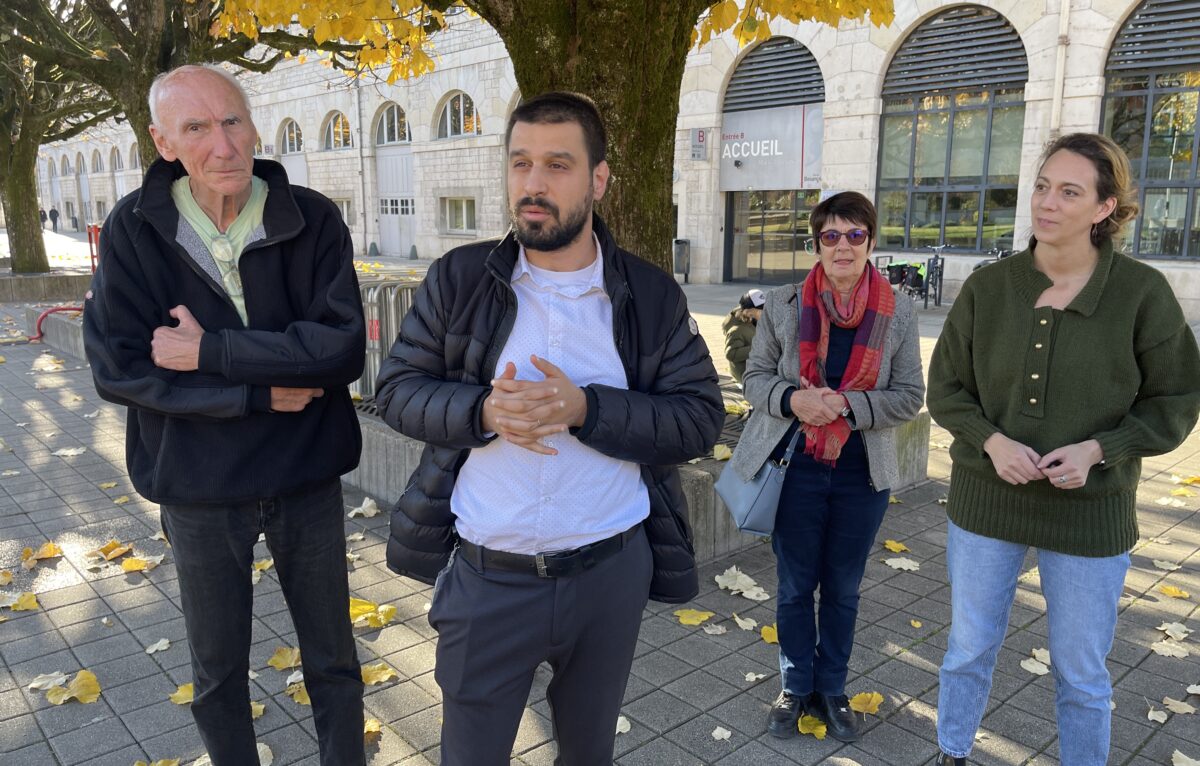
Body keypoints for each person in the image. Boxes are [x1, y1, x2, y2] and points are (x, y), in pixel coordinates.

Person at [375, 91, 724, 765]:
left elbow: (699, 419)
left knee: (589, 755)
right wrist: (483, 411)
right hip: (488, 580)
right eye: (520, 163)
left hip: (610, 575)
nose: (533, 184)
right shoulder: (460, 280)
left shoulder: (649, 296)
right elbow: (396, 392)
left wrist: (586, 409)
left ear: (598, 180)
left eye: (558, 165)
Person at [82, 64, 367, 766]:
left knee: (332, 659)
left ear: (253, 123)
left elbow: (339, 350)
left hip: (305, 477)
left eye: (232, 120)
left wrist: (212, 351)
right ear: (163, 141)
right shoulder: (134, 230)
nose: (223, 145)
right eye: (197, 128)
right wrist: (256, 393)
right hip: (199, 486)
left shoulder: (310, 216)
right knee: (217, 675)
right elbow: (121, 370)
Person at [928, 133, 1200, 766]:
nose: (1047, 203)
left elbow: (1177, 397)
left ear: (1106, 208)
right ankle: (951, 752)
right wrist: (991, 441)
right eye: (1043, 186)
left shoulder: (1141, 293)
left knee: (1081, 673)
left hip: (1090, 515)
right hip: (984, 503)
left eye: (1069, 191)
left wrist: (1102, 449)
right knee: (968, 650)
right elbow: (945, 389)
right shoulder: (989, 288)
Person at [729, 191, 924, 742]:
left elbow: (909, 395)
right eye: (831, 236)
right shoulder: (785, 304)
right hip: (795, 468)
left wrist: (847, 405)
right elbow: (755, 378)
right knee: (793, 587)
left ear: (870, 242)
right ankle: (795, 686)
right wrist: (795, 401)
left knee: (842, 587)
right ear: (817, 244)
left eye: (855, 235)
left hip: (862, 475)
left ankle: (832, 688)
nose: (843, 246)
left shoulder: (900, 311)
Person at [723, 288, 765, 385]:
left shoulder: (752, 321)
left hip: (754, 367)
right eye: (760, 310)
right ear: (748, 311)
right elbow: (731, 354)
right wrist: (756, 347)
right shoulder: (737, 330)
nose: (763, 312)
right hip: (745, 372)